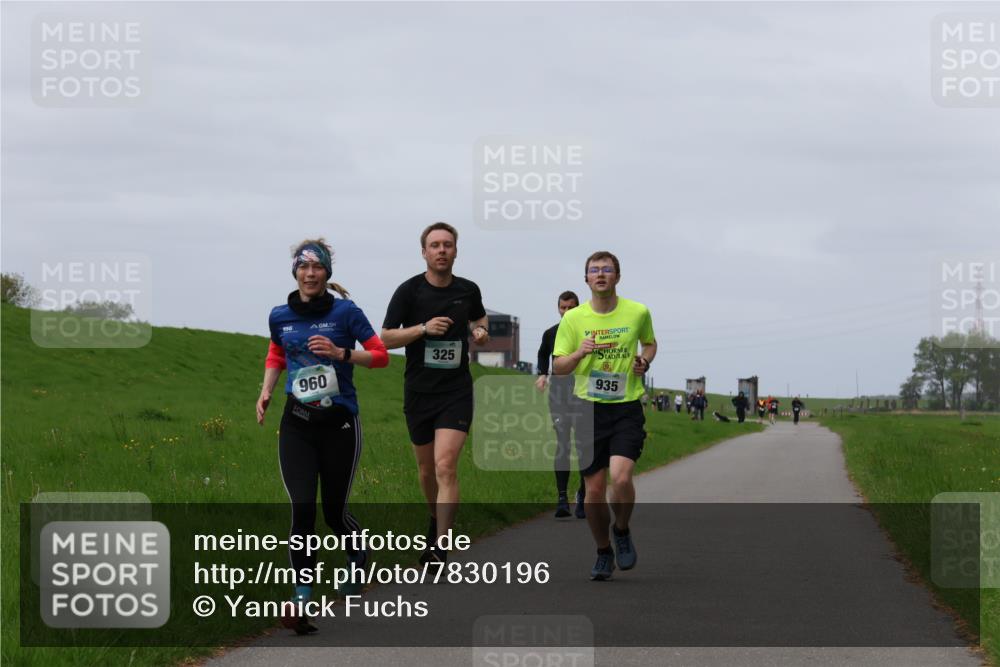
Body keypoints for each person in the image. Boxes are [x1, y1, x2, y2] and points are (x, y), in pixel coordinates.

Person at [256, 239, 389, 635]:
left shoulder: (345, 312)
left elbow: (380, 355)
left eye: (317, 268)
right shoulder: (280, 315)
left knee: (334, 512)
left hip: (339, 425)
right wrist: (266, 390)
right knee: (302, 509)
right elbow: (277, 353)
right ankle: (301, 598)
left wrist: (340, 353)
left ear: (327, 274)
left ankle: (358, 556)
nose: (310, 274)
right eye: (304, 267)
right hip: (296, 423)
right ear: (295, 271)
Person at [381, 222, 488, 566]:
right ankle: (434, 519)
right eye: (435, 245)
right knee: (426, 471)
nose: (441, 250)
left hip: (455, 391)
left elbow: (479, 318)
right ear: (424, 252)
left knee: (445, 466)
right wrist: (423, 329)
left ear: (456, 251)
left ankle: (441, 546)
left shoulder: (468, 289)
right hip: (418, 392)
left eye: (447, 245)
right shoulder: (409, 291)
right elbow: (385, 337)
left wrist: (481, 331)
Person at [552, 251, 657, 581]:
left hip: (626, 406)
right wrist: (580, 352)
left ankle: (621, 529)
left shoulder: (638, 312)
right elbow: (558, 367)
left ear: (617, 276)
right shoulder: (573, 320)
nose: (600, 275)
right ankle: (602, 551)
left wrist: (645, 360)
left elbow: (650, 344)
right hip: (588, 409)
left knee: (621, 477)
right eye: (594, 270)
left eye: (607, 270)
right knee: (594, 491)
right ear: (586, 279)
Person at [536, 291, 587, 519]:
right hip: (559, 395)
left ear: (579, 308)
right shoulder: (551, 333)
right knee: (563, 444)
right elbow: (542, 354)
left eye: (571, 308)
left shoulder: (587, 331)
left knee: (585, 445)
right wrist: (541, 374)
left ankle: (584, 495)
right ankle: (561, 499)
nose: (566, 312)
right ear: (558, 308)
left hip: (584, 395)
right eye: (563, 308)